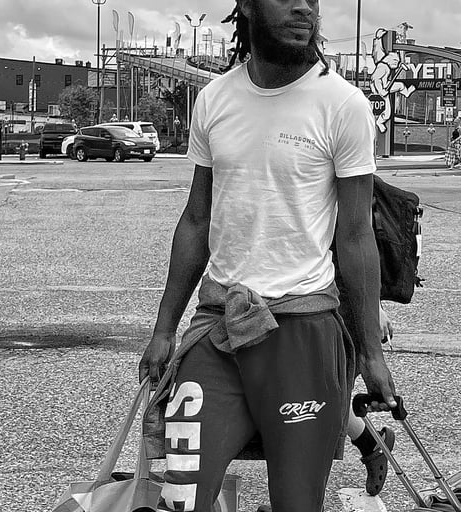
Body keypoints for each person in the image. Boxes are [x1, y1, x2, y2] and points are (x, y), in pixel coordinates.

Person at [138, 0, 397, 510]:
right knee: (181, 498)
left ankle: (364, 445)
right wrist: (165, 328)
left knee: (297, 504)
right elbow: (196, 220)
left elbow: (355, 236)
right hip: (219, 326)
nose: (304, 7)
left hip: (302, 328)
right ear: (248, 7)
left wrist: (370, 351)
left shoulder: (341, 104)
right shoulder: (214, 100)